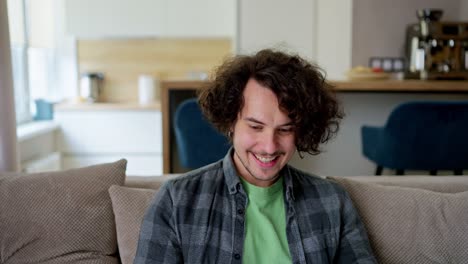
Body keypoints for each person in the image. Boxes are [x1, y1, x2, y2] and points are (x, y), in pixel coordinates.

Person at [134, 49, 376, 263]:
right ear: (231, 122)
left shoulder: (332, 201)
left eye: (285, 129)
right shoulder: (177, 201)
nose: (269, 147)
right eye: (255, 127)